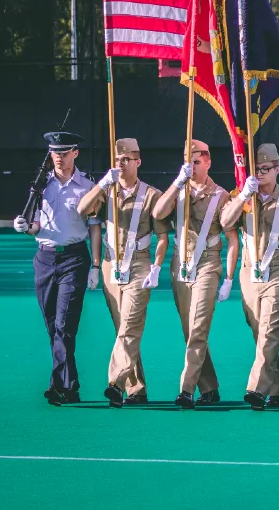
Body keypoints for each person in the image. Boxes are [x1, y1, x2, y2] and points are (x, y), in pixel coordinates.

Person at [76, 138, 168, 407]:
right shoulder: (107, 191)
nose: (121, 163)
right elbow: (83, 210)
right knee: (124, 329)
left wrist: (157, 267)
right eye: (118, 160)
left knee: (129, 324)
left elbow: (162, 237)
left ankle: (115, 383)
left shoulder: (152, 195)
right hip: (110, 264)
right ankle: (136, 389)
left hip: (139, 264)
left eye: (127, 159)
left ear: (138, 162)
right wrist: (103, 183)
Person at [13, 131, 102, 406]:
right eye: (54, 153)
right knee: (53, 326)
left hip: (74, 259)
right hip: (44, 259)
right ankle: (70, 385)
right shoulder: (42, 185)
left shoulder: (87, 185)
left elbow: (95, 227)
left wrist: (96, 265)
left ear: (75, 153)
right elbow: (37, 225)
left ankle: (56, 384)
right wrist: (26, 228)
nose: (58, 158)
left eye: (63, 153)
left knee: (65, 324)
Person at [220, 143, 279, 411]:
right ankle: (278, 389)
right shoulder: (244, 197)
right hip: (249, 273)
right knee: (260, 332)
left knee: (270, 331)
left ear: (277, 169)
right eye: (256, 169)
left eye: (266, 169)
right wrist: (244, 195)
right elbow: (225, 222)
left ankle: (256, 389)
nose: (260, 173)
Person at [152, 139, 239, 409]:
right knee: (189, 330)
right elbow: (158, 212)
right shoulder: (179, 190)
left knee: (199, 328)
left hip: (208, 264)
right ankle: (209, 387)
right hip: (180, 263)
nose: (192, 166)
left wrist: (228, 279)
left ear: (208, 161)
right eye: (188, 162)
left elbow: (231, 237)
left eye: (197, 161)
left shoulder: (221, 196)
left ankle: (186, 389)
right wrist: (179, 182)